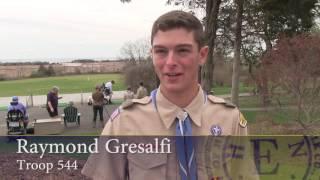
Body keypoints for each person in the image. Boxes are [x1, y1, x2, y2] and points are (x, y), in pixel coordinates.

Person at [82, 10, 257, 180]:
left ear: (202, 55)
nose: (170, 62)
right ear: (152, 55)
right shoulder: (124, 122)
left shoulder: (230, 119)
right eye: (161, 51)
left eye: (182, 50)